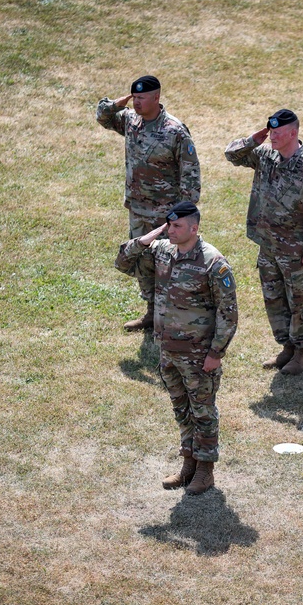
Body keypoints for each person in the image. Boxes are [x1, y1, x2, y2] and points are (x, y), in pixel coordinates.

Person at [114, 201, 237, 494]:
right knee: (181, 409)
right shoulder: (163, 252)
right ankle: (188, 464)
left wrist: (215, 354)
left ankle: (205, 471)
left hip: (198, 355)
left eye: (178, 226)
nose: (171, 230)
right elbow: (123, 262)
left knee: (202, 411)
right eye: (169, 225)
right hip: (168, 350)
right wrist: (149, 236)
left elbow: (228, 312)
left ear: (194, 229)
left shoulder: (213, 262)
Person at [224, 109, 303, 374]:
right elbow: (232, 155)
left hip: (296, 251)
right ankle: (286, 347)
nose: (272, 136)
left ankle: (302, 353)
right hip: (268, 244)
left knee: (298, 301)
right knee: (273, 298)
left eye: (277, 132)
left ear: (293, 133)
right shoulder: (265, 156)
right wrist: (255, 138)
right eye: (270, 131)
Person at [97, 75, 201, 332]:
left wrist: (183, 215)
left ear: (157, 97)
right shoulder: (131, 121)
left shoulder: (175, 130)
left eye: (142, 97)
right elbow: (103, 116)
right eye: (135, 97)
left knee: (169, 265)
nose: (137, 103)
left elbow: (191, 173)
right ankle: (151, 313)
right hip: (137, 209)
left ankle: (174, 318)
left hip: (166, 214)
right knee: (143, 262)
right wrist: (122, 101)